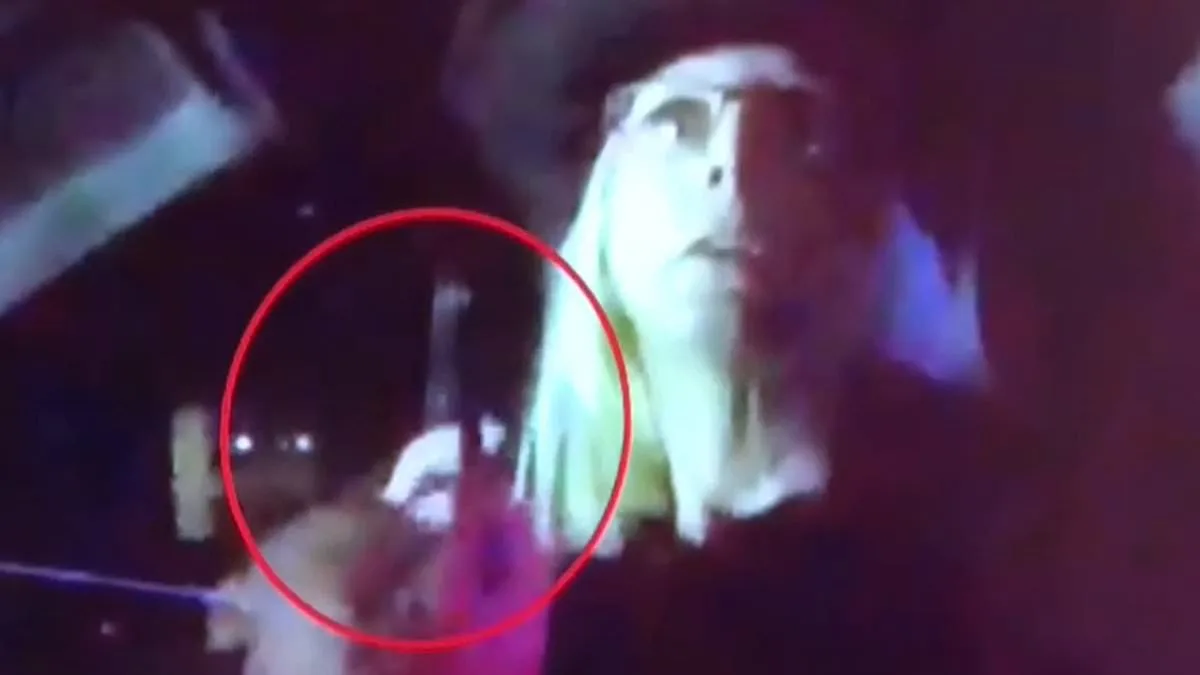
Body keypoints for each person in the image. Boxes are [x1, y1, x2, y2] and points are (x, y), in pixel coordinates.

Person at [211, 0, 1014, 673]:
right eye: (678, 124)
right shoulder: (484, 515)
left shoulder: (965, 543)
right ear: (599, 203)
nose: (733, 170)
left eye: (792, 128)